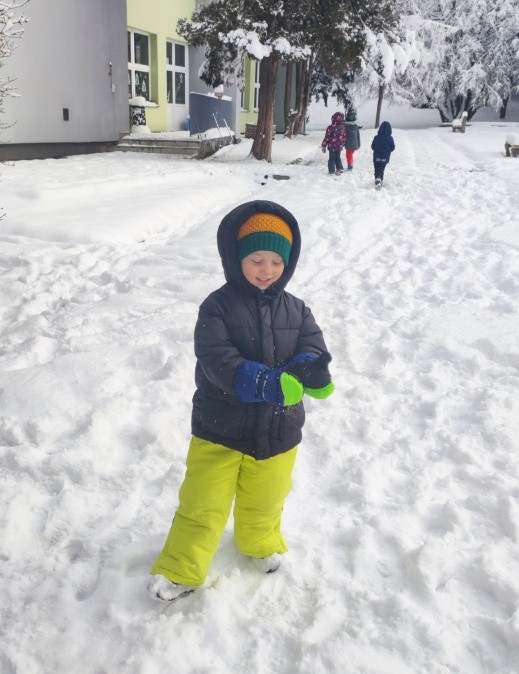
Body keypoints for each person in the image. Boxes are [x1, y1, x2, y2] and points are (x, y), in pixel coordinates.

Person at [148, 200, 335, 602]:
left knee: (266, 500)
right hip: (220, 428)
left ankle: (260, 543)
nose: (267, 270)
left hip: (279, 431)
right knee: (202, 504)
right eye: (256, 260)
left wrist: (309, 370)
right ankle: (180, 568)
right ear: (236, 258)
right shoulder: (217, 307)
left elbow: (312, 345)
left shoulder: (297, 309)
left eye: (276, 262)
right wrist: (265, 382)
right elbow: (217, 359)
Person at [371, 120, 395, 189]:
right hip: (385, 157)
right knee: (381, 169)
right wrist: (388, 150)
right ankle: (380, 181)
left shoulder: (376, 137)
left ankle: (378, 181)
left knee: (377, 169)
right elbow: (392, 148)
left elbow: (372, 146)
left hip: (376, 157)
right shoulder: (390, 138)